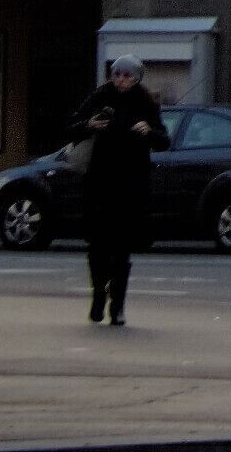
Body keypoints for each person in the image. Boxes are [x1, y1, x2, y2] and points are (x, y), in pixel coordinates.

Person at [68, 60, 167, 327]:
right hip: (100, 182)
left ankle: (118, 306)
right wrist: (89, 125)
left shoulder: (146, 102)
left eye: (127, 75)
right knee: (97, 246)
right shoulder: (100, 97)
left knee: (122, 249)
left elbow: (163, 139)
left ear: (137, 78)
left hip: (131, 184)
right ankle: (99, 293)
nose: (121, 79)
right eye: (117, 74)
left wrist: (148, 131)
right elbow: (71, 128)